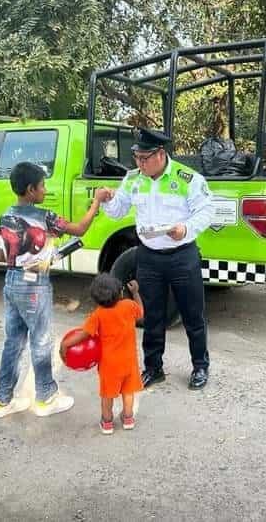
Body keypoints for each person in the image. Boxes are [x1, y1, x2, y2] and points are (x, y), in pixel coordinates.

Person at [0, 162, 110, 419]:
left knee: (13, 342)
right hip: (34, 284)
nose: (45, 190)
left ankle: (2, 401)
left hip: (11, 282)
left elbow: (2, 255)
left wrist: (26, 256)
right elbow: (80, 229)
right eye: (43, 185)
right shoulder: (45, 217)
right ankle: (45, 397)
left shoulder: (5, 217)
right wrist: (96, 202)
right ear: (31, 190)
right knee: (41, 341)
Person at [101, 128, 215, 390]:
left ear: (161, 154)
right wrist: (108, 200)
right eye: (137, 158)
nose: (139, 164)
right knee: (151, 316)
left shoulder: (187, 178)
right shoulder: (133, 179)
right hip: (148, 256)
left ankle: (200, 366)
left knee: (192, 314)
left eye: (144, 158)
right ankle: (153, 368)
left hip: (182, 256)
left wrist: (185, 228)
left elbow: (207, 211)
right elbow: (117, 211)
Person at [60, 274, 144, 435]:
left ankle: (107, 423)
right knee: (128, 392)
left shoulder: (98, 314)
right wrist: (135, 293)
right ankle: (128, 418)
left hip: (109, 365)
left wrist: (66, 344)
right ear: (120, 293)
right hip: (129, 362)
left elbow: (84, 334)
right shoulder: (128, 305)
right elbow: (141, 313)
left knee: (107, 395)